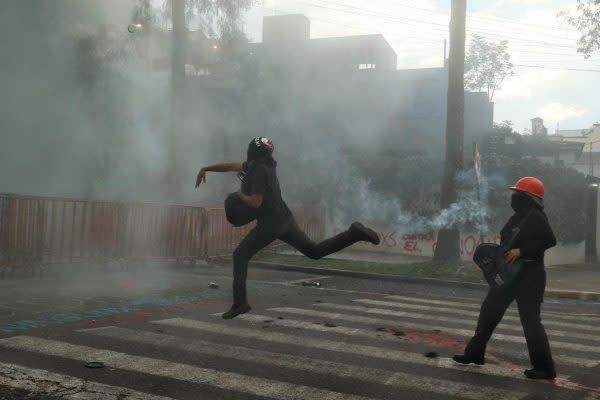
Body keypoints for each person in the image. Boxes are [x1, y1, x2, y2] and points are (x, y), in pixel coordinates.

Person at [195, 137, 380, 319]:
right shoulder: (262, 165)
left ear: (253, 151)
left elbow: (256, 202)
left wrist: (240, 195)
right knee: (314, 251)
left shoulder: (259, 170)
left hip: (270, 225)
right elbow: (229, 166)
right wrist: (206, 169)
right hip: (285, 219)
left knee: (240, 255)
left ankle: (240, 304)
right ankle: (354, 233)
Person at [453, 177, 557, 380]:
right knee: (489, 312)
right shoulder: (519, 216)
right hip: (510, 275)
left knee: (531, 322)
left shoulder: (536, 217)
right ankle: (474, 353)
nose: (513, 197)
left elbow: (550, 240)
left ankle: (545, 368)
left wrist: (522, 250)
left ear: (528, 198)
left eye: (517, 194)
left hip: (530, 277)